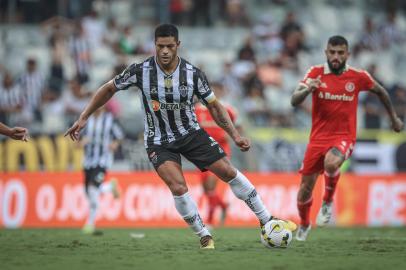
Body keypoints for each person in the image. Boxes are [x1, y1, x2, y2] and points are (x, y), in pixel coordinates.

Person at [65, 24, 296, 249]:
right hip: (158, 140)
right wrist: (84, 116)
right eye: (160, 46)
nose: (165, 51)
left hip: (191, 134)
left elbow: (215, 107)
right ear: (154, 45)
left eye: (169, 46)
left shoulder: (193, 74)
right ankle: (204, 235)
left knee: (228, 171)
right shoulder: (140, 71)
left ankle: (267, 219)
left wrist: (234, 135)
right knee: (178, 187)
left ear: (178, 45)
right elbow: (108, 88)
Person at [290, 35, 404, 241]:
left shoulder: (358, 76)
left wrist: (394, 118)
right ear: (326, 53)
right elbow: (294, 100)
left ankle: (327, 201)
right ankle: (305, 224)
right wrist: (308, 88)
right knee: (304, 190)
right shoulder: (315, 73)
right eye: (332, 52)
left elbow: (382, 92)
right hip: (317, 139)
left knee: (332, 162)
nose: (335, 56)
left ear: (347, 54)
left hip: (344, 136)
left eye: (340, 52)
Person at [195, 82, 237, 227]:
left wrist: (231, 135)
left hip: (220, 151)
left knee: (211, 186)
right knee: (206, 189)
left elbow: (238, 127)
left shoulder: (227, 109)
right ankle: (224, 206)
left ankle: (210, 221)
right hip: (201, 152)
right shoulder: (197, 110)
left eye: (218, 89)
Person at [79, 104, 124, 234]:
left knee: (93, 190)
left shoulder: (110, 119)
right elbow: (78, 140)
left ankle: (90, 224)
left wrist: (114, 144)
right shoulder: (86, 120)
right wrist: (81, 143)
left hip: (103, 161)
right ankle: (109, 187)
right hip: (88, 162)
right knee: (88, 192)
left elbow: (120, 136)